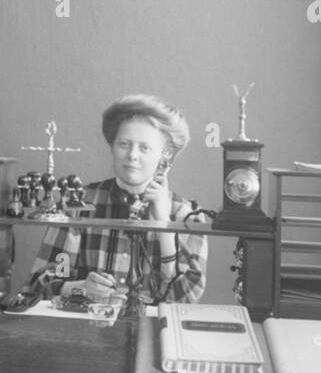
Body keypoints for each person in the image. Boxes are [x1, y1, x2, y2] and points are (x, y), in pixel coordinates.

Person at [29, 93, 206, 306]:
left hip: (155, 335)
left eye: (144, 148)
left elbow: (186, 299)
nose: (132, 155)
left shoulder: (186, 216)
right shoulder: (79, 205)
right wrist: (80, 287)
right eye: (123, 144)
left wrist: (163, 228)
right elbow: (41, 283)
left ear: (165, 156)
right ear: (112, 146)